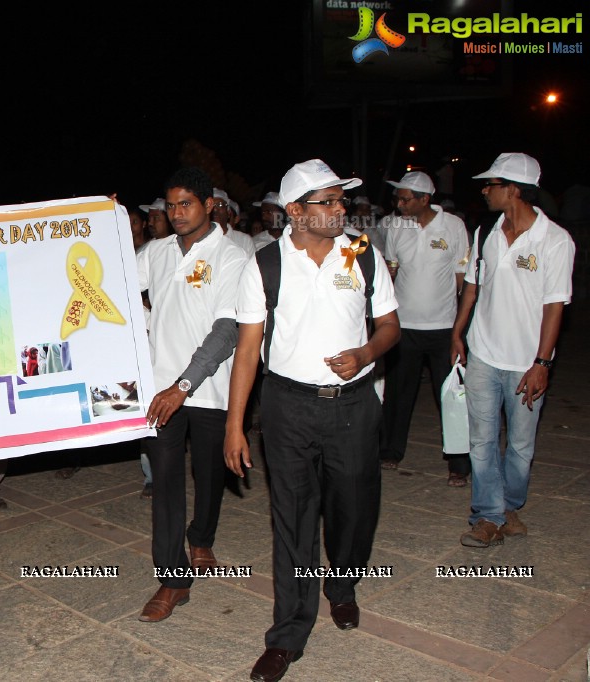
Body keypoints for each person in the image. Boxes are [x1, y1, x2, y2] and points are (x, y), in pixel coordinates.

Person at [224, 160, 399, 682]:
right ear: (295, 211)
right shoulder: (263, 266)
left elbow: (391, 326)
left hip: (353, 406)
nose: (342, 209)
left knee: (353, 508)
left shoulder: (364, 256)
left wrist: (367, 352)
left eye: (342, 200)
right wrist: (236, 425)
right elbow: (248, 349)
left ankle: (341, 587)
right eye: (329, 201)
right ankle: (288, 633)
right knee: (293, 520)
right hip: (288, 408)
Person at [137, 167, 248, 622]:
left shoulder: (232, 257)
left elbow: (227, 332)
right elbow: (112, 282)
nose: (176, 213)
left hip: (206, 389)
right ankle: (172, 579)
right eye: (171, 205)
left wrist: (184, 384)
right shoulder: (157, 252)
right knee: (164, 483)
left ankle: (201, 538)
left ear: (209, 206)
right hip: (158, 388)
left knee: (208, 475)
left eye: (186, 204)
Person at [452, 153, 575, 548]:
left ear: (515, 190)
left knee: (520, 446)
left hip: (526, 362)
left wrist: (542, 363)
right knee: (481, 441)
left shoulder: (555, 241)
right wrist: (458, 332)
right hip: (484, 353)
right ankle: (487, 516)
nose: (485, 191)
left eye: (492, 185)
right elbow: (473, 285)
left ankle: (509, 507)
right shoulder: (485, 229)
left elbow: (554, 306)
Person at [379, 171, 471, 485]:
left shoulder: (454, 226)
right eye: (398, 198)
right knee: (398, 391)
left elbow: (462, 278)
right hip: (404, 326)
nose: (399, 203)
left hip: (443, 325)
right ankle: (390, 449)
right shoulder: (395, 227)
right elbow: (391, 272)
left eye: (405, 198)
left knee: (451, 394)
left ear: (424, 199)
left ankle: (459, 462)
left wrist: (461, 327)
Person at [214, 188, 255, 256]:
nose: (215, 209)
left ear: (228, 213)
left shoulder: (244, 240)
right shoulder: (200, 239)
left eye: (220, 205)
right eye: (211, 205)